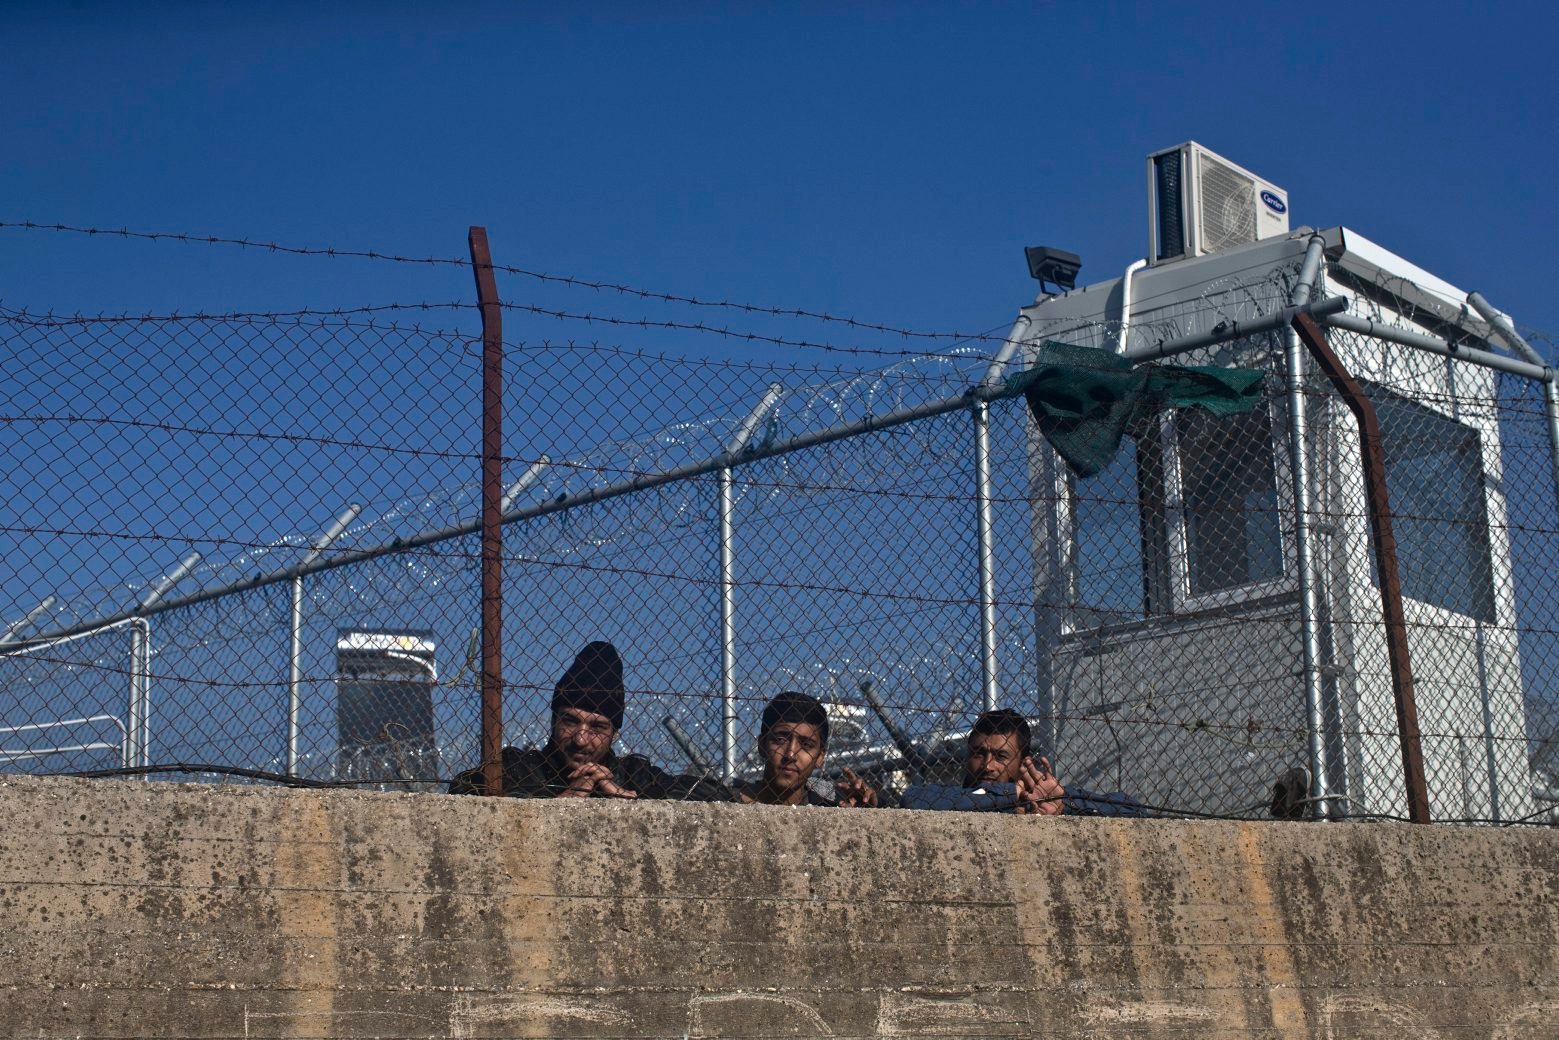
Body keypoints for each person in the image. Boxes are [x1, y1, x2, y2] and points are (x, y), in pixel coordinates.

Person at [448, 640, 732, 801]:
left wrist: (630, 799)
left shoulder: (634, 774)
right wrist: (557, 802)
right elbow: (461, 789)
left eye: (597, 727)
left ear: (614, 734)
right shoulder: (519, 768)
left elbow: (718, 797)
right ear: (554, 722)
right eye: (571, 722)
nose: (581, 739)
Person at [902, 708, 1145, 816]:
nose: (988, 766)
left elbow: (1132, 809)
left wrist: (1064, 805)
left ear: (1023, 763)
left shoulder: (1044, 799)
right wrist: (1013, 793)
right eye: (979, 753)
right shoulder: (947, 798)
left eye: (1001, 756)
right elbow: (913, 799)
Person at [731, 691, 878, 807]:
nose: (790, 754)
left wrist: (866, 809)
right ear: (762, 746)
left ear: (820, 757)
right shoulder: (724, 799)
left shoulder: (833, 804)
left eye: (806, 745)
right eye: (780, 740)